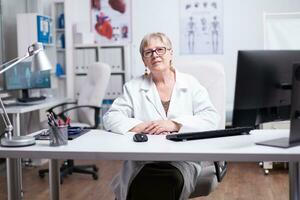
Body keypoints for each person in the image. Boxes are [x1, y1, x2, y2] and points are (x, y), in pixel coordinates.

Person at [103, 32, 220, 200]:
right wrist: (142, 126)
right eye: (148, 52)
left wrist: (174, 124)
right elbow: (111, 117)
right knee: (145, 183)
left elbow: (211, 118)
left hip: (181, 160)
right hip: (143, 161)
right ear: (144, 60)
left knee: (164, 182)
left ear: (170, 53)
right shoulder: (133, 87)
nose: (155, 55)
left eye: (160, 49)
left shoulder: (190, 84)